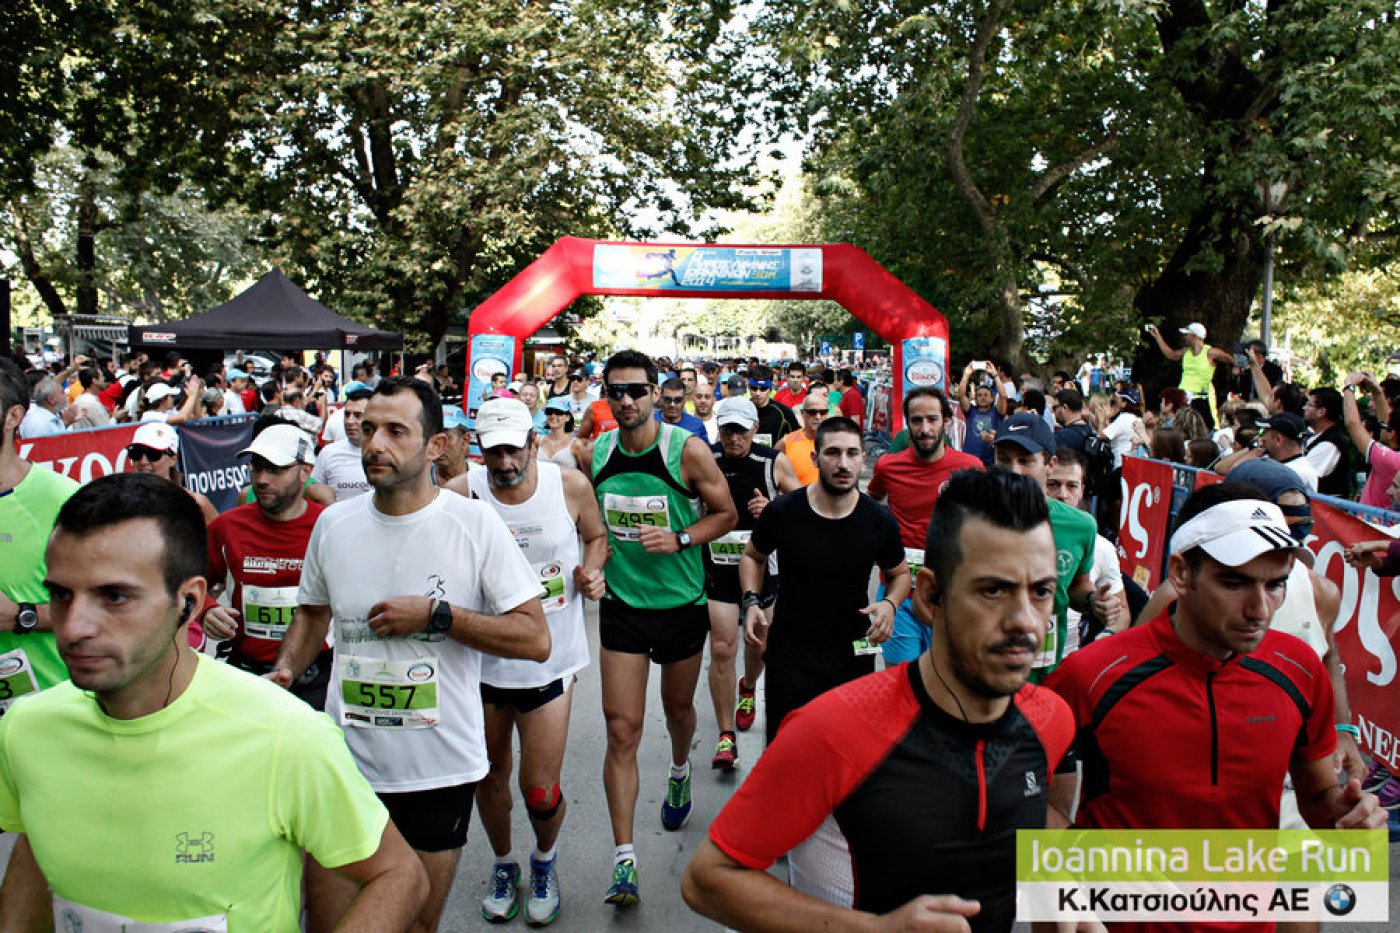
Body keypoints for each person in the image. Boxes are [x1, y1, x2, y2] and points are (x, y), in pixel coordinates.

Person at [0, 472, 428, 930]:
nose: (73, 627)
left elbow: (398, 874)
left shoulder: (285, 735)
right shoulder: (26, 728)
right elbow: (36, 846)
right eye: (60, 594)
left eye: (115, 596)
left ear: (188, 602)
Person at [684, 468, 1074, 929]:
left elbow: (1032, 829)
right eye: (993, 590)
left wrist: (1076, 905)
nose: (1025, 621)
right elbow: (706, 880)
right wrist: (875, 929)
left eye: (1041, 591)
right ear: (930, 596)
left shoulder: (1053, 718)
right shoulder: (831, 730)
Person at [271, 377, 550, 933]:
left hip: (437, 770)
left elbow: (535, 639)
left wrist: (437, 616)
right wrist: (284, 670)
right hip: (345, 765)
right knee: (331, 925)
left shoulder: (473, 524)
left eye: (396, 431)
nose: (375, 443)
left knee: (415, 926)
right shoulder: (334, 523)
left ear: (435, 446)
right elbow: (313, 613)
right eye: (369, 429)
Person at [1045, 484, 1384, 929]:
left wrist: (1349, 815)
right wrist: (1076, 872)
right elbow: (1011, 788)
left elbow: (1318, 799)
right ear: (1181, 573)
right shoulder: (1093, 673)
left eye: (1275, 584)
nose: (1260, 609)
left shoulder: (1299, 668)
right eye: (1235, 583)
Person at [577, 349, 737, 907]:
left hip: (680, 603)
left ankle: (678, 767)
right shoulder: (595, 453)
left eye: (636, 390)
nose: (626, 401)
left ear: (654, 393)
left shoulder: (685, 450)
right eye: (615, 391)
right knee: (622, 730)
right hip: (623, 606)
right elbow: (592, 529)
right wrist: (591, 570)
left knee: (677, 710)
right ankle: (624, 860)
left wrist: (681, 538)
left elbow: (727, 514)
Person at [454, 399, 608, 927]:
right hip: (482, 665)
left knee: (540, 790)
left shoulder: (569, 486)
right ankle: (503, 864)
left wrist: (591, 572)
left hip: (549, 662)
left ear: (534, 442)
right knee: (489, 776)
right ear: (479, 448)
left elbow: (596, 537)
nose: (504, 463)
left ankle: (544, 860)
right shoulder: (461, 492)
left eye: (513, 450)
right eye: (493, 452)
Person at [740, 416, 908, 746]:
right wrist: (751, 599)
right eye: (833, 453)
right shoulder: (784, 511)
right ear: (815, 458)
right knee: (788, 749)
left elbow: (900, 573)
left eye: (852, 453)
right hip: (791, 652)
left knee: (845, 750)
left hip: (852, 653)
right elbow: (752, 556)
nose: (843, 463)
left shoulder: (878, 520)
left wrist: (890, 604)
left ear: (863, 458)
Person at [204, 423, 333, 707]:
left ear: (305, 472)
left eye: (275, 469)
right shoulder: (227, 527)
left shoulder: (330, 526)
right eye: (257, 467)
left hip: (316, 680)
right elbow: (187, 583)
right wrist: (206, 609)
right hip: (248, 675)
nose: (262, 479)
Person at [703, 397, 800, 771]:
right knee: (722, 647)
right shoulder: (706, 459)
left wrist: (774, 510)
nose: (734, 438)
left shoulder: (772, 462)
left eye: (741, 431)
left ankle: (747, 686)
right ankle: (725, 736)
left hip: (761, 565)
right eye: (727, 429)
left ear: (755, 429)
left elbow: (804, 504)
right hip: (717, 565)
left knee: (758, 642)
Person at [868, 387, 983, 664]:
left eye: (932, 419)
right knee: (901, 676)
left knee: (943, 675)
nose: (925, 429)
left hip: (949, 593)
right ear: (907, 425)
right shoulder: (888, 466)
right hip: (898, 590)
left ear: (946, 421)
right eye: (916, 421)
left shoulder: (971, 468)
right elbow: (871, 502)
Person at [990, 414, 1098, 680]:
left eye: (1025, 460)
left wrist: (1094, 601)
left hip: (1043, 678)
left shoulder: (1080, 526)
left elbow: (1077, 587)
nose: (1014, 471)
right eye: (1004, 459)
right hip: (981, 679)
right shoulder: (970, 516)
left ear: (1050, 464)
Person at [0, 359, 79, 713]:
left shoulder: (63, 498)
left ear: (13, 416)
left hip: (49, 713)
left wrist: (22, 615)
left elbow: (108, 606)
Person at [1045, 448, 1132, 641]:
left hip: (1065, 656)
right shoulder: (1015, 532)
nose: (1062, 495)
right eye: (1053, 484)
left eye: (1072, 486)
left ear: (1082, 490)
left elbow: (1121, 612)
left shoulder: (1102, 547)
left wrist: (1105, 633)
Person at [124, 421, 219, 525]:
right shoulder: (123, 505)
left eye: (153, 454)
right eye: (136, 453)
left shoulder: (195, 503)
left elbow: (221, 533)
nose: (143, 461)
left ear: (173, 459)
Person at [1144, 321, 1234, 416]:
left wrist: (1235, 371)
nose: (1184, 337)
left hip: (1199, 398)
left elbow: (1232, 360)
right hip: (1182, 395)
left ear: (1194, 336)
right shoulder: (1186, 351)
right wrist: (1157, 336)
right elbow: (1171, 355)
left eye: (1186, 334)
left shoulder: (1211, 353)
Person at [1217, 411, 1320, 492]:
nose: (1260, 436)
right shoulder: (1270, 457)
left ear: (1278, 439)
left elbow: (1235, 474)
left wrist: (1258, 450)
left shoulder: (1295, 471)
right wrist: (1254, 448)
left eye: (1263, 432)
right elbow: (1221, 468)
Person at [312, 384, 373, 500]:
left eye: (358, 415)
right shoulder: (328, 453)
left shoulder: (388, 452)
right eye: (347, 414)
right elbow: (312, 489)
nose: (349, 421)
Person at [1301, 386, 1352, 498]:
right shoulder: (1316, 437)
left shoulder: (1330, 444)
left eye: (1309, 405)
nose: (1304, 408)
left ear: (1321, 412)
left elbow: (1302, 475)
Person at [957, 360, 1008, 464]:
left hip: (991, 461)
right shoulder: (970, 411)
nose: (982, 398)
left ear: (992, 398)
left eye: (986, 395)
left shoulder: (997, 412)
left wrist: (995, 375)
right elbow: (961, 395)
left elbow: (1003, 396)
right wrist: (966, 375)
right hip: (970, 459)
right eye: (979, 395)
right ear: (975, 399)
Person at [747, 364, 798, 447]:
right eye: (754, 388)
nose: (758, 393)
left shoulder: (784, 412)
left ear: (770, 389)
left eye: (763, 389)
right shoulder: (741, 410)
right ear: (749, 387)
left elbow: (797, 440)